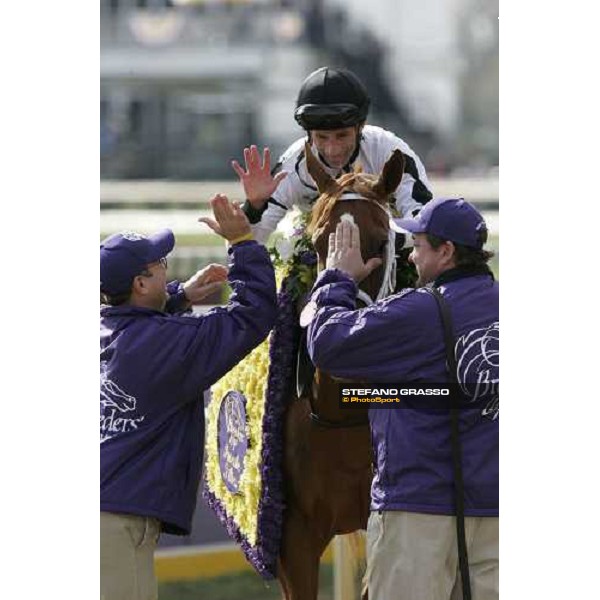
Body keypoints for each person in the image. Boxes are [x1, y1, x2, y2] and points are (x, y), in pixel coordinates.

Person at [305, 198, 499, 600]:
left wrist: (336, 280)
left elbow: (328, 345)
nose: (411, 255)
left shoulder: (419, 311)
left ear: (445, 252)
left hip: (419, 507)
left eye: (419, 245)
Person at [100, 194, 277, 600]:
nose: (166, 268)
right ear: (140, 284)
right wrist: (243, 244)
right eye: (160, 265)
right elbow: (253, 314)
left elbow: (139, 331)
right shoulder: (165, 344)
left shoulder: (104, 328)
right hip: (115, 523)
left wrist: (177, 296)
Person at [232, 66, 433, 244]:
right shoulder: (293, 166)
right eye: (322, 137)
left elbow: (424, 221)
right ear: (309, 134)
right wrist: (254, 207)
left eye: (342, 135)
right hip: (319, 256)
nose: (332, 149)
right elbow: (251, 243)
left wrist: (378, 238)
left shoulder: (389, 150)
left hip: (386, 250)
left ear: (361, 126)